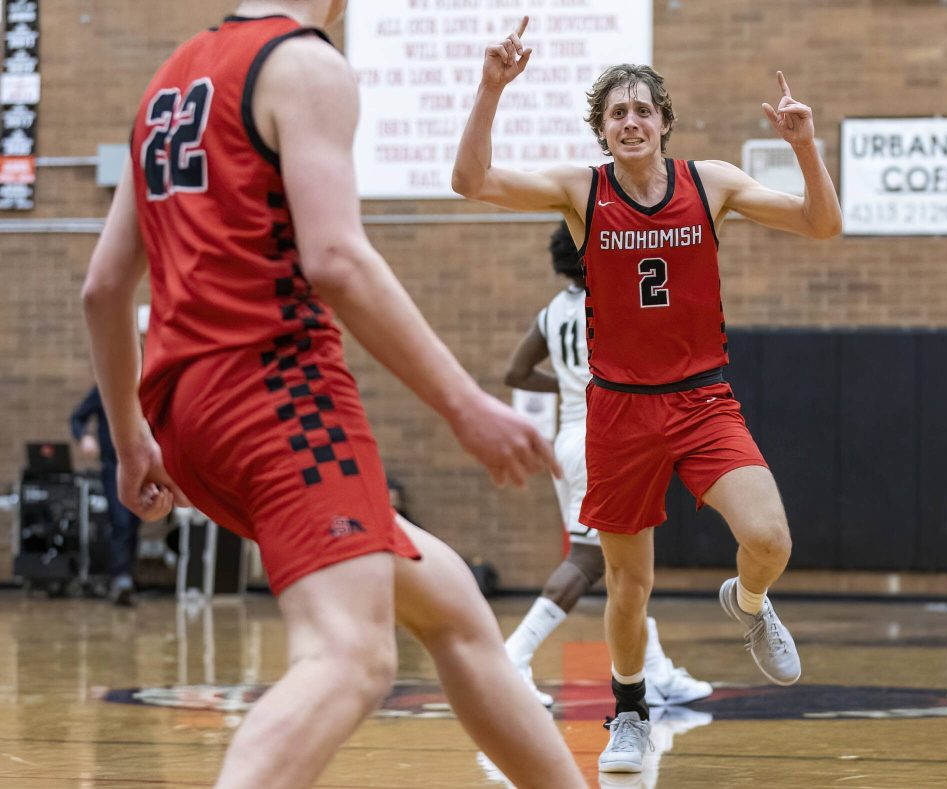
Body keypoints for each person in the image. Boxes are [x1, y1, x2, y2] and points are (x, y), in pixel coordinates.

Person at [81, 2, 586, 787]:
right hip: (278, 397)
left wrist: (129, 439)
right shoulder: (303, 64)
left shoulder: (169, 84)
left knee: (449, 602)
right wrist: (466, 404)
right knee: (351, 655)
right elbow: (337, 261)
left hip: (186, 420)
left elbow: (103, 288)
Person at [452, 16, 843, 774]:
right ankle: (627, 712)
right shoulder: (583, 190)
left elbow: (821, 226)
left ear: (664, 121)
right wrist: (490, 88)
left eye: (642, 109)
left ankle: (751, 603)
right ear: (603, 130)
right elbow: (472, 182)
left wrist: (804, 146)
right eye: (616, 113)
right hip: (620, 409)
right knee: (630, 584)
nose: (630, 121)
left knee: (770, 540)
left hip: (701, 399)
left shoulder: (712, 183)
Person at [503, 223, 712, 710]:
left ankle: (654, 672)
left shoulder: (552, 312)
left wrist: (568, 387)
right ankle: (513, 654)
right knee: (592, 560)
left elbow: (514, 373)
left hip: (568, 439)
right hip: (604, 441)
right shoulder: (617, 300)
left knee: (629, 563)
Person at [70, 385, 141, 605]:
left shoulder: (146, 385)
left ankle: (127, 576)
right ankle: (120, 578)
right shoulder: (105, 386)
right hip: (113, 467)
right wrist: (84, 438)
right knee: (120, 520)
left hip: (141, 465)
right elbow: (77, 418)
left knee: (133, 522)